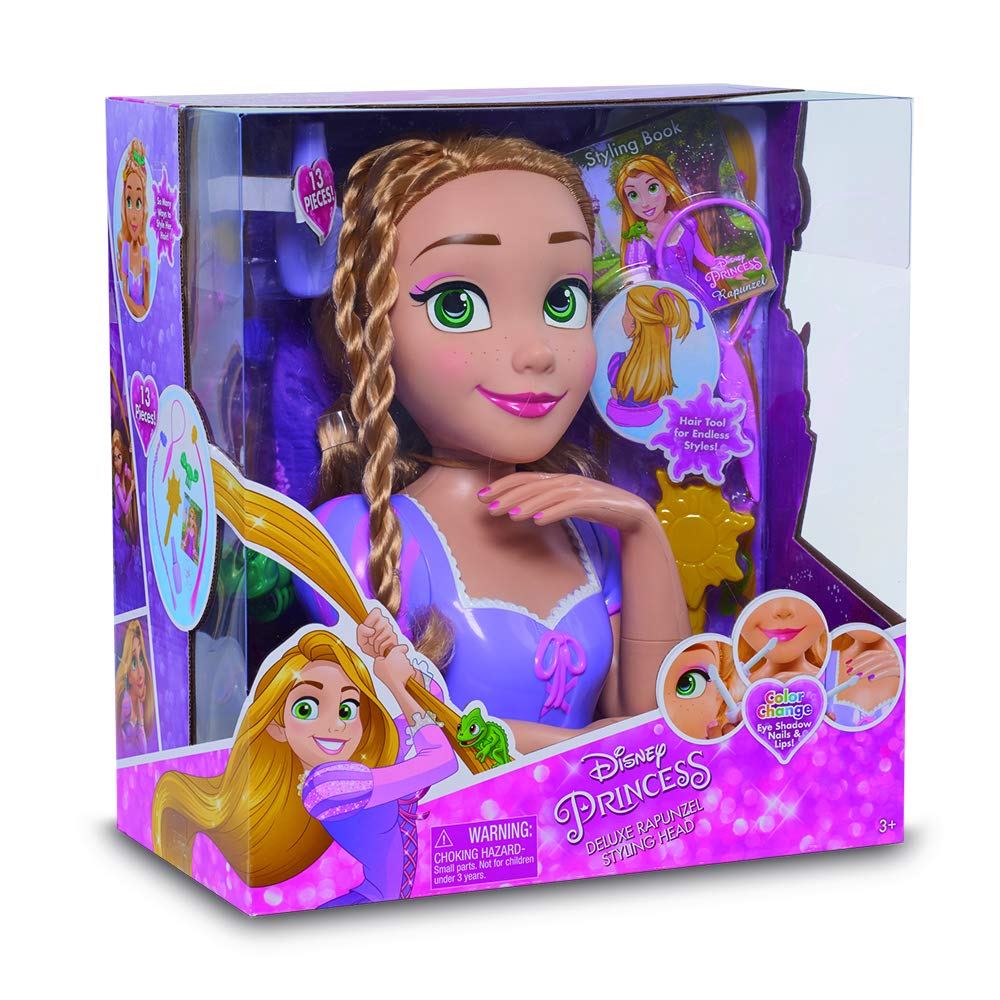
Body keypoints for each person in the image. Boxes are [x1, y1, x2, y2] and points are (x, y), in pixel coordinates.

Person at [301, 136, 690, 753]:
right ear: (376, 331)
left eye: (563, 302)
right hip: (457, 818)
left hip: (603, 813)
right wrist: (583, 748)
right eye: (458, 305)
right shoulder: (361, 538)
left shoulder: (589, 537)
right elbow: (392, 731)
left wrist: (641, 528)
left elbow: (657, 724)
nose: (535, 351)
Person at [152, 618, 457, 905]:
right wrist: (396, 685)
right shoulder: (327, 788)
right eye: (306, 708)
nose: (335, 725)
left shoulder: (367, 761)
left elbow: (427, 716)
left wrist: (389, 657)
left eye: (347, 709)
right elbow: (442, 760)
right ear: (278, 726)